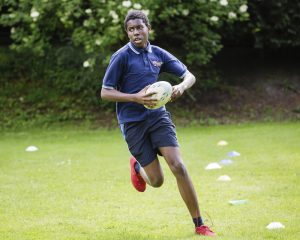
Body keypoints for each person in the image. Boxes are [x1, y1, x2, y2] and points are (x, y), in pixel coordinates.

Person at [101, 10, 215, 237]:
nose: (135, 33)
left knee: (178, 166)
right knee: (157, 180)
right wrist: (135, 97)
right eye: (131, 29)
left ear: (148, 29)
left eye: (139, 28)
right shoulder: (121, 57)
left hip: (157, 117)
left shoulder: (158, 54)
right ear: (127, 32)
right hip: (132, 123)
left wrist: (181, 87)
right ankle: (137, 167)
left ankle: (199, 225)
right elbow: (105, 92)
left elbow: (189, 76)